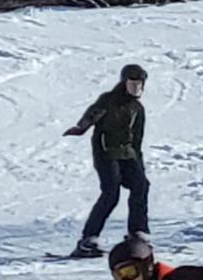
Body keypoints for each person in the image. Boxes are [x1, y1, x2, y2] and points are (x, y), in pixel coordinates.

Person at [62, 64, 151, 257]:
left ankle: (137, 232)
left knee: (141, 185)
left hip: (128, 154)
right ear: (124, 82)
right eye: (132, 83)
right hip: (106, 153)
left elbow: (137, 139)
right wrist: (81, 127)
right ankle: (88, 240)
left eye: (139, 84)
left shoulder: (138, 108)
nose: (136, 87)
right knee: (111, 193)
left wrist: (139, 164)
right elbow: (93, 114)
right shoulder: (109, 100)